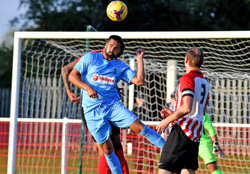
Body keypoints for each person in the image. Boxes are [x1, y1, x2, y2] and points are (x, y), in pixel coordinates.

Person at [69, 35, 165, 174]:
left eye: (116, 48)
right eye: (111, 45)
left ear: (119, 52)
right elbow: (72, 75)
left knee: (139, 127)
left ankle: (170, 150)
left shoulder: (119, 66)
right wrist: (87, 88)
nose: (112, 49)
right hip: (92, 111)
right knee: (107, 150)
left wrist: (139, 59)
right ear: (106, 44)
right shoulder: (91, 58)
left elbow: (139, 81)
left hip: (113, 107)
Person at [61, 53, 129, 174]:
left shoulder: (114, 59)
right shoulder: (92, 57)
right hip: (92, 109)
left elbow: (105, 80)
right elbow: (65, 69)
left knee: (117, 146)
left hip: (109, 107)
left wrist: (114, 88)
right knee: (104, 148)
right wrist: (68, 92)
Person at [156, 47, 209, 174]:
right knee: (188, 170)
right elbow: (201, 111)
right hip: (196, 133)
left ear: (186, 60)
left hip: (183, 130)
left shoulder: (187, 78)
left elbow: (187, 108)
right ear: (201, 62)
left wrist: (167, 120)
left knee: (164, 170)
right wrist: (173, 114)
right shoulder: (205, 82)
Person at [161, 96, 224, 174]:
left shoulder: (199, 113)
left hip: (203, 143)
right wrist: (170, 116)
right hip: (187, 141)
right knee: (182, 168)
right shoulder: (179, 112)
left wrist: (215, 142)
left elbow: (210, 128)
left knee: (212, 166)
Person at [129, 92, 154, 173]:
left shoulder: (149, 110)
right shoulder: (134, 110)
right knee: (137, 157)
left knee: (149, 156)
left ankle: (150, 172)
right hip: (137, 136)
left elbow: (151, 120)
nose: (140, 100)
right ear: (136, 99)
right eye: (139, 98)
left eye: (142, 98)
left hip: (147, 135)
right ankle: (138, 172)